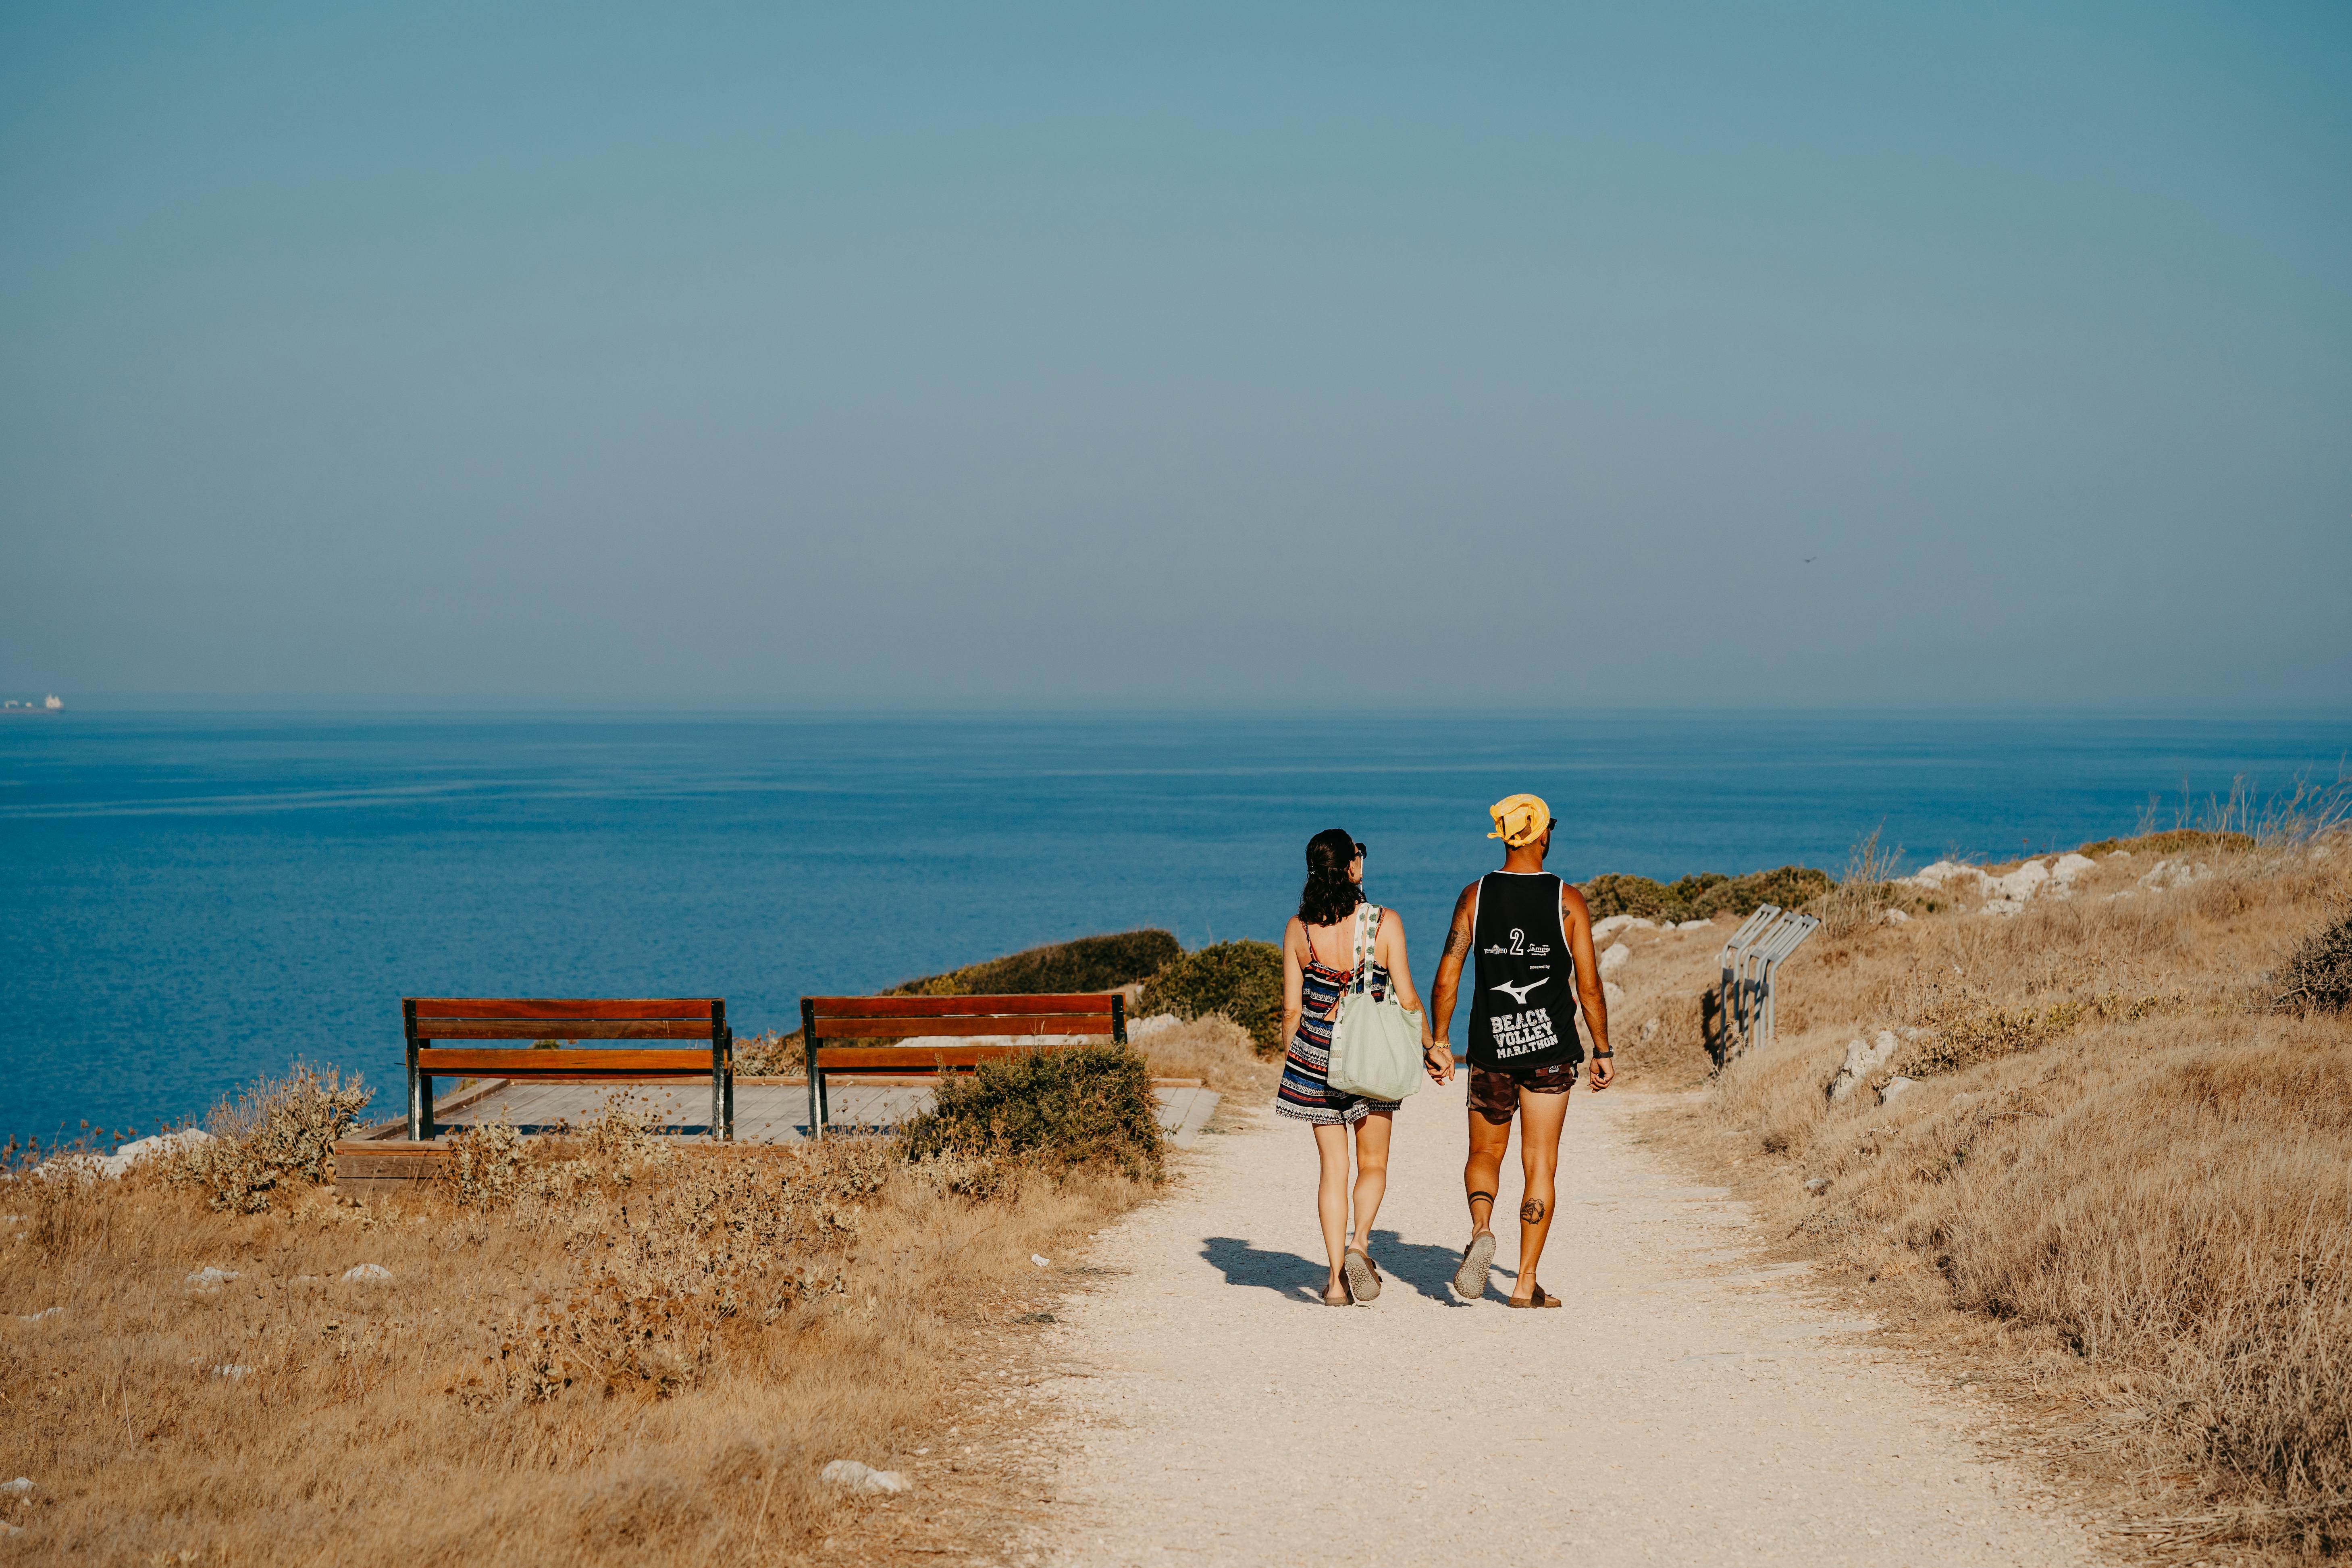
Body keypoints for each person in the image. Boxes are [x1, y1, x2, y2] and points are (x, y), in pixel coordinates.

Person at [1425, 793, 1612, 1307]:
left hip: (1489, 1051)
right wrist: (1602, 1048)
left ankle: (1482, 1227)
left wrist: (1440, 1042)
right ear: (1541, 834)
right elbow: (1589, 986)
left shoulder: (1475, 896)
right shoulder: (1567, 900)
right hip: (1551, 1051)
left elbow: (1447, 977)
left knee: (1485, 1153)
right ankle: (1525, 1283)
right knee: (1541, 1163)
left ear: (1506, 836)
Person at [1276, 828, 1445, 1306]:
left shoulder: (1298, 929)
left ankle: (1333, 1283)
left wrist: (1298, 1059)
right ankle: (1360, 1244)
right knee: (1373, 1163)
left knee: (1333, 1168)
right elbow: (1408, 998)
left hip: (1315, 1055)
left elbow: (1291, 1011)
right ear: (1354, 866)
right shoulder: (1384, 922)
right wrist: (1433, 1047)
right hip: (1370, 1054)